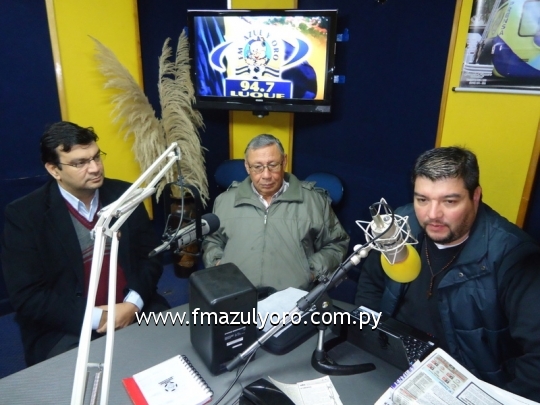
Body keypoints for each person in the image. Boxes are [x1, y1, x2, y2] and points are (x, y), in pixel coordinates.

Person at [355, 146, 540, 401]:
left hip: (467, 385)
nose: (432, 215)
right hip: (393, 361)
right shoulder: (400, 224)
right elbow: (371, 284)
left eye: (449, 201)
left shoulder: (515, 257)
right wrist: (370, 340)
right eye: (422, 200)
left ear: (476, 196)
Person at [1, 121, 170, 366]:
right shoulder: (25, 215)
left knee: (175, 358)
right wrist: (99, 317)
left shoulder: (126, 195)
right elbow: (28, 296)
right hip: (66, 325)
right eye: (80, 163)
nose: (95, 168)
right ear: (54, 169)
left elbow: (150, 258)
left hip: (133, 306)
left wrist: (132, 304)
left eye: (96, 157)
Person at [202, 134, 349, 291]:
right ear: (247, 166)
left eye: (272, 165)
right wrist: (217, 264)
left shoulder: (314, 201)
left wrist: (310, 272)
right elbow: (212, 240)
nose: (266, 175)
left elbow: (337, 243)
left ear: (284, 161)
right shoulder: (224, 201)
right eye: (257, 167)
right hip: (235, 295)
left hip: (292, 298)